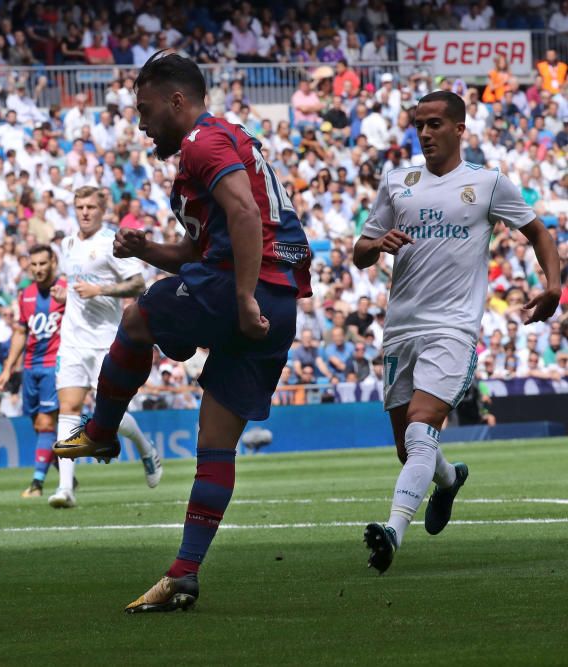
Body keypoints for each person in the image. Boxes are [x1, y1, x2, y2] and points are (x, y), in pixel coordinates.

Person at [54, 53, 311, 611]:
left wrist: (242, 297)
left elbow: (244, 215)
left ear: (176, 100)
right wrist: (147, 250)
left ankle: (100, 430)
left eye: (144, 110)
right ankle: (183, 574)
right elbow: (203, 248)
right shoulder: (228, 139)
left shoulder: (203, 141)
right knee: (215, 445)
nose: (140, 123)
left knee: (138, 318)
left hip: (248, 286)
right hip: (280, 301)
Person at [352, 91, 561, 574]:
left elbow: (539, 233)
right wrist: (375, 244)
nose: (424, 133)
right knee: (409, 448)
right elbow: (359, 251)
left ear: (459, 129)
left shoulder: (486, 184)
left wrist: (552, 286)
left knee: (423, 431)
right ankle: (448, 481)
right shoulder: (397, 182)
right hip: (400, 330)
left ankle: (392, 532)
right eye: (419, 125)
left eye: (434, 124)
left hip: (453, 328)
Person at [47, 185, 163, 510]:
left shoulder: (111, 244)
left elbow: (138, 284)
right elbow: (73, 284)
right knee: (68, 408)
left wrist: (101, 289)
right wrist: (64, 294)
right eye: (80, 206)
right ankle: (65, 488)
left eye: (91, 207)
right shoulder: (68, 243)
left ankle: (145, 449)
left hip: (105, 342)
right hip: (72, 341)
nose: (85, 212)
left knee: (111, 414)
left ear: (102, 210)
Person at [0, 245, 67, 498]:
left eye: (42, 264)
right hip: (30, 368)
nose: (37, 269)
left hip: (54, 366)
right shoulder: (25, 294)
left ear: (53, 262)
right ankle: (67, 474)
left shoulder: (65, 290)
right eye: (33, 264)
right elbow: (20, 332)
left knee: (47, 423)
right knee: (39, 427)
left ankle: (37, 484)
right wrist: (7, 369)